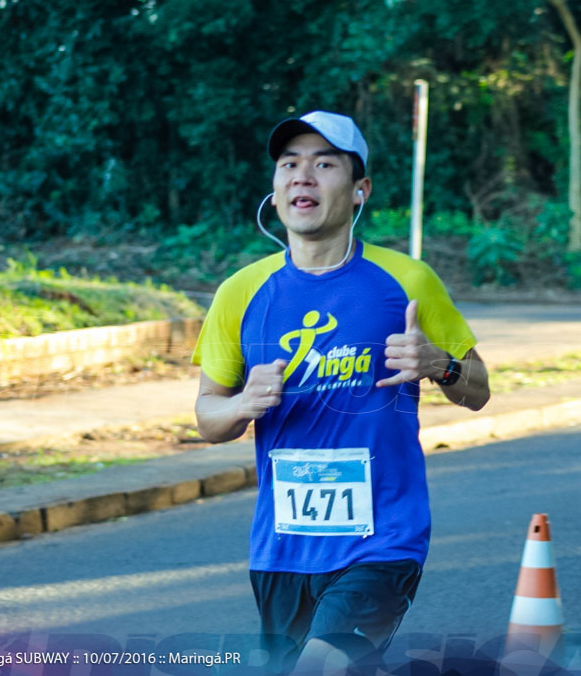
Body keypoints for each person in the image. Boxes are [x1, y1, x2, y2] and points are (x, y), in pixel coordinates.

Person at [191, 110, 490, 672]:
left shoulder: (408, 281)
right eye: (289, 164)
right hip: (281, 548)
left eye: (324, 164)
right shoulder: (241, 292)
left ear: (359, 191)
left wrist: (441, 364)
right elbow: (207, 419)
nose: (303, 175)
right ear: (276, 192)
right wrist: (241, 404)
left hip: (382, 540)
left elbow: (478, 389)